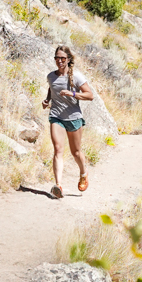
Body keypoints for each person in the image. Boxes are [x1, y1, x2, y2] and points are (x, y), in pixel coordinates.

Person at [41, 45, 94, 199]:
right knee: (58, 149)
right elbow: (52, 88)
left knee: (75, 152)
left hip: (74, 117)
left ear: (68, 60)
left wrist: (72, 93)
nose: (59, 61)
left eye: (62, 58)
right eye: (57, 58)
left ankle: (83, 173)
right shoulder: (51, 76)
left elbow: (90, 95)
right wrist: (47, 100)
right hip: (56, 116)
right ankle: (58, 185)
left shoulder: (76, 77)